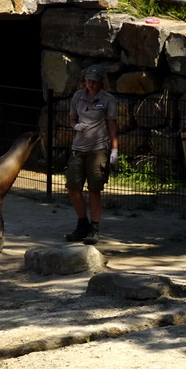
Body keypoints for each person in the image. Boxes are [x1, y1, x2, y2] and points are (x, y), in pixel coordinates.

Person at [65, 65, 118, 245]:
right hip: (78, 148)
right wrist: (75, 126)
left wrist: (114, 149)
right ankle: (82, 224)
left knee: (94, 189)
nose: (91, 84)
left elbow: (112, 126)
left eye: (94, 81)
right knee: (73, 187)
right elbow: (72, 119)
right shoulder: (77, 97)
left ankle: (94, 228)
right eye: (88, 80)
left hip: (98, 149)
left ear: (101, 81)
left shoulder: (108, 99)